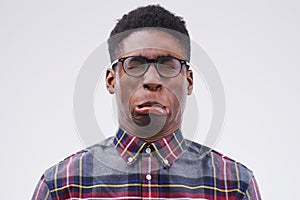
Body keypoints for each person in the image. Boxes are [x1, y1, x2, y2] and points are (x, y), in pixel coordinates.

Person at [32, 5, 261, 200]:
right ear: (112, 80)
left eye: (168, 64)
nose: (152, 80)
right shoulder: (62, 186)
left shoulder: (234, 186)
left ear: (189, 81)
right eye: (135, 64)